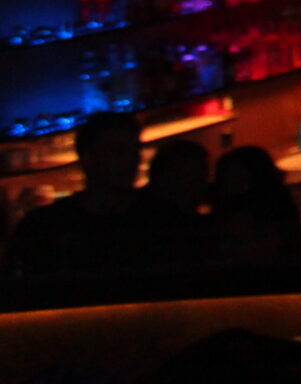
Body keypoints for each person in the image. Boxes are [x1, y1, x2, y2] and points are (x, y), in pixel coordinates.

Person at [4, 113, 193, 276]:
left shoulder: (164, 221)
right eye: (118, 151)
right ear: (89, 157)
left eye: (134, 150)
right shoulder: (44, 228)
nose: (131, 160)